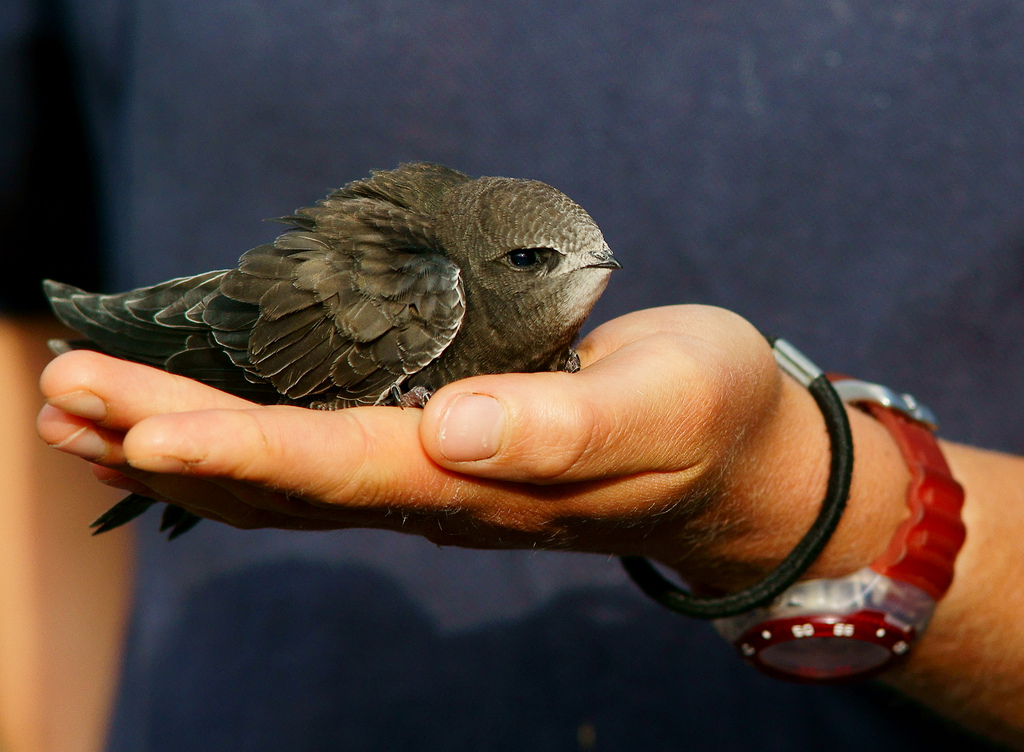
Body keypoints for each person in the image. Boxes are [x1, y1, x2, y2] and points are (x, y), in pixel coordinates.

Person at [7, 1, 1024, 750]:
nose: (594, 279)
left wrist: (804, 498)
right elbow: (19, 303)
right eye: (540, 266)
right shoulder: (415, 286)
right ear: (488, 269)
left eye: (587, 263)